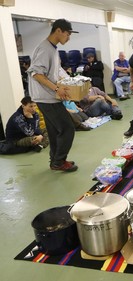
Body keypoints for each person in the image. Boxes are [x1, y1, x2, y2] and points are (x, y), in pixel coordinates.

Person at [27, 18, 78, 172]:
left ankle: (55, 161)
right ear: (58, 31)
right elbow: (36, 74)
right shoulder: (45, 48)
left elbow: (52, 72)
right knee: (68, 128)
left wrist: (65, 81)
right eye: (67, 34)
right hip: (46, 97)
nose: (68, 38)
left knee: (55, 131)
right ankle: (59, 161)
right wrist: (57, 89)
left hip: (48, 96)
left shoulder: (53, 48)